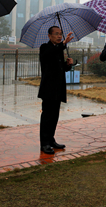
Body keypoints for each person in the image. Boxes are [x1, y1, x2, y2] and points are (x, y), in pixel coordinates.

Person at [38, 26, 74, 155]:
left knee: (54, 116)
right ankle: (44, 144)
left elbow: (60, 68)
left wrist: (68, 64)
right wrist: (63, 44)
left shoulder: (59, 49)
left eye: (61, 34)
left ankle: (51, 140)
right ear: (49, 36)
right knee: (47, 116)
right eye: (56, 34)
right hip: (48, 89)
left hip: (58, 88)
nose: (59, 36)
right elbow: (49, 55)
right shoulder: (45, 47)